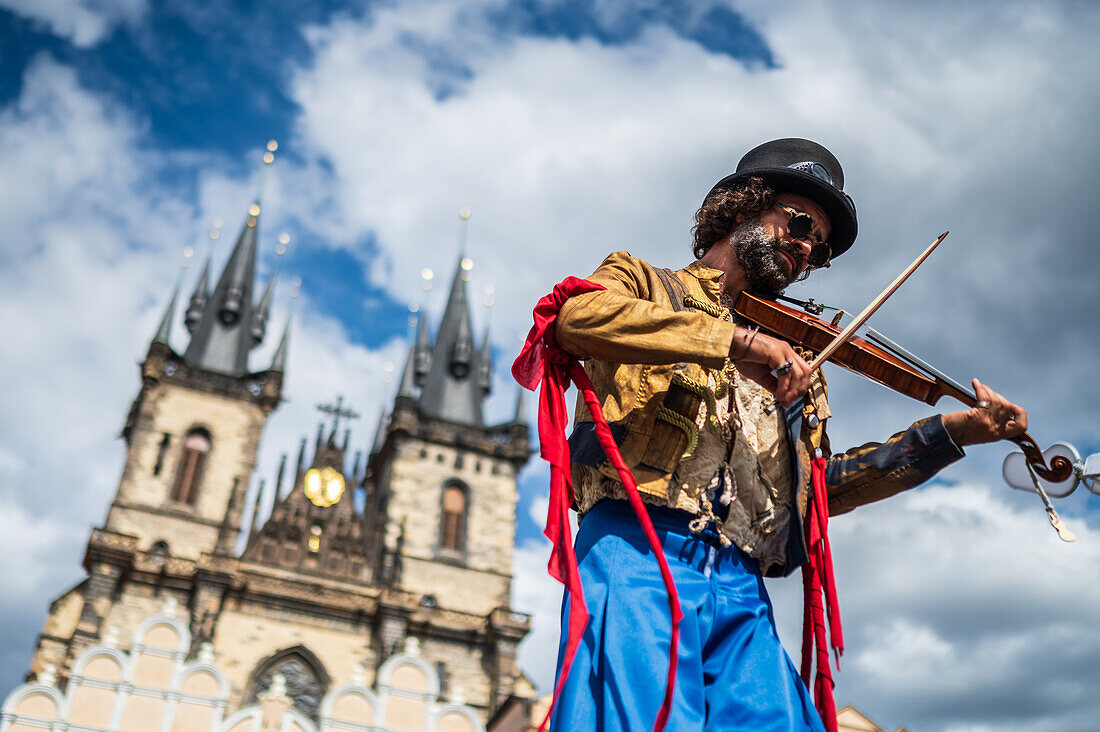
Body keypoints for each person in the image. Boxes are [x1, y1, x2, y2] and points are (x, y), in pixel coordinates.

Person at [544, 138, 1027, 731]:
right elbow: (574, 318)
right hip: (637, 546)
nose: (805, 250)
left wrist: (949, 434)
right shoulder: (645, 282)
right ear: (742, 207)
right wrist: (734, 342)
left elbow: (818, 493)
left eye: (818, 250)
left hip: (741, 582)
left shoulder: (797, 358)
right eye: (798, 225)